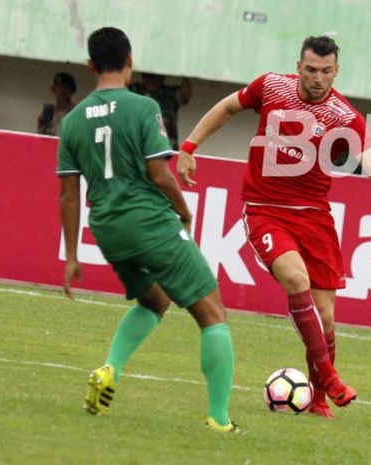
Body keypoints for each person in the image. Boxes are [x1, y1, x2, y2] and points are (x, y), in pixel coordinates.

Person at [177, 36, 371, 419]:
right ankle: (332, 379)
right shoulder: (271, 86)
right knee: (296, 279)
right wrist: (189, 147)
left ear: (336, 71)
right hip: (266, 210)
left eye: (326, 71)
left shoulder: (343, 116)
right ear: (298, 66)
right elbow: (226, 107)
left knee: (327, 316)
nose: (318, 78)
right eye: (311, 69)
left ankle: (318, 400)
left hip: (315, 216)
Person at [57, 27, 238, 433]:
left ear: (89, 65)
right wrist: (184, 212)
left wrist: (71, 256)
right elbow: (159, 172)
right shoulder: (142, 107)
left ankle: (110, 369)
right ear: (129, 61)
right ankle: (220, 420)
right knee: (213, 316)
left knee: (154, 301)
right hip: (150, 223)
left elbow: (69, 196)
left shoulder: (71, 121)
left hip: (107, 229)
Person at [130, 73, 191, 149]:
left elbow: (185, 96)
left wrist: (184, 71)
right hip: (138, 146)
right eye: (149, 77)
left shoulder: (169, 93)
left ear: (162, 78)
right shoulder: (135, 90)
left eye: (155, 78)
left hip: (166, 146)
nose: (152, 81)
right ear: (143, 77)